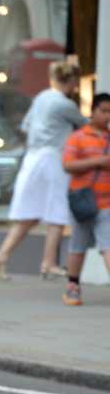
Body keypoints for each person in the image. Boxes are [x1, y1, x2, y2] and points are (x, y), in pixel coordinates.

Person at [0, 62, 85, 280]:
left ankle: (2, 255)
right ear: (71, 81)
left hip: (32, 158)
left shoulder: (41, 98)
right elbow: (86, 126)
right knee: (57, 212)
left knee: (29, 214)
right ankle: (49, 263)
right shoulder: (64, 104)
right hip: (53, 158)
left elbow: (25, 127)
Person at [60, 92, 110, 306]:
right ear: (93, 111)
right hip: (82, 202)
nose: (107, 115)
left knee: (108, 246)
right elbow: (68, 165)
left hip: (107, 202)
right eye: (104, 111)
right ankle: (73, 287)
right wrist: (99, 161)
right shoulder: (78, 137)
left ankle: (73, 287)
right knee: (78, 246)